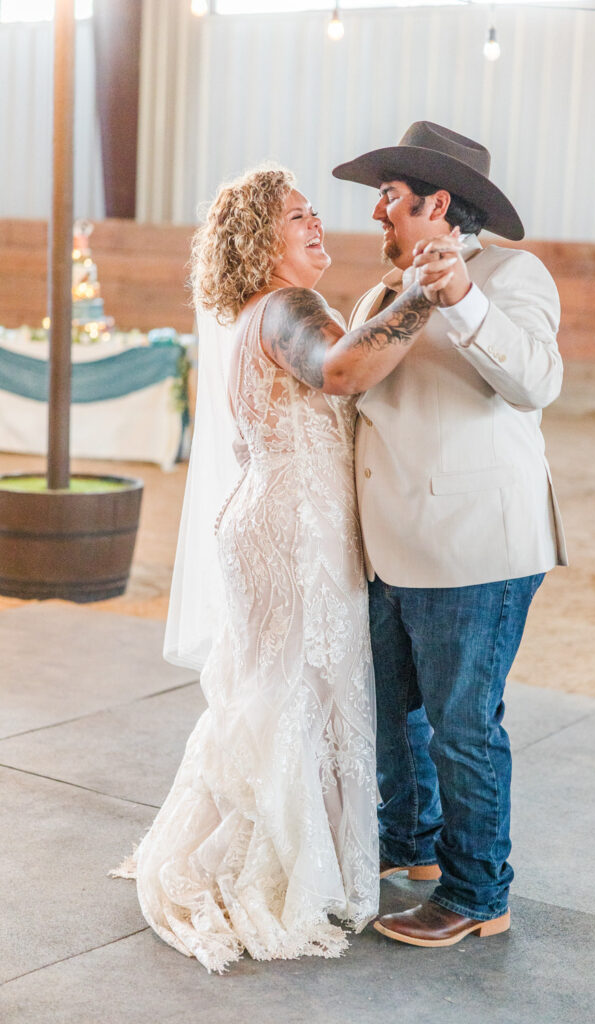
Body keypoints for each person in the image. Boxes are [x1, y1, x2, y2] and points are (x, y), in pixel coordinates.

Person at [111, 164, 456, 973]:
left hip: (282, 516)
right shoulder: (290, 306)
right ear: (258, 241)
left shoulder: (262, 308)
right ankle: (270, 866)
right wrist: (423, 293)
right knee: (293, 689)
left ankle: (282, 847)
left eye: (312, 214)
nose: (315, 225)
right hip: (291, 530)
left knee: (279, 685)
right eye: (295, 216)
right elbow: (338, 372)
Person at [332, 121, 568, 947]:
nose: (375, 217)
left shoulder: (511, 273)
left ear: (435, 201)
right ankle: (411, 846)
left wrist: (460, 300)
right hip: (388, 545)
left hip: (475, 548)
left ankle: (476, 894)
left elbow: (537, 381)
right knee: (395, 717)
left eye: (386, 199)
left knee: (463, 725)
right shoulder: (375, 293)